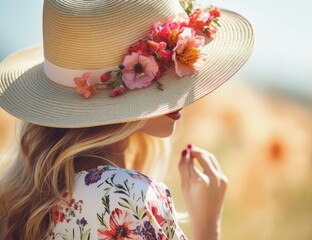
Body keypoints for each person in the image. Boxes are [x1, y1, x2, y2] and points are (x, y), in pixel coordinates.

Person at [0, 0, 253, 239]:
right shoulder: (126, 195)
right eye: (163, 69)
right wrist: (208, 226)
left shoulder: (25, 197)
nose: (182, 77)